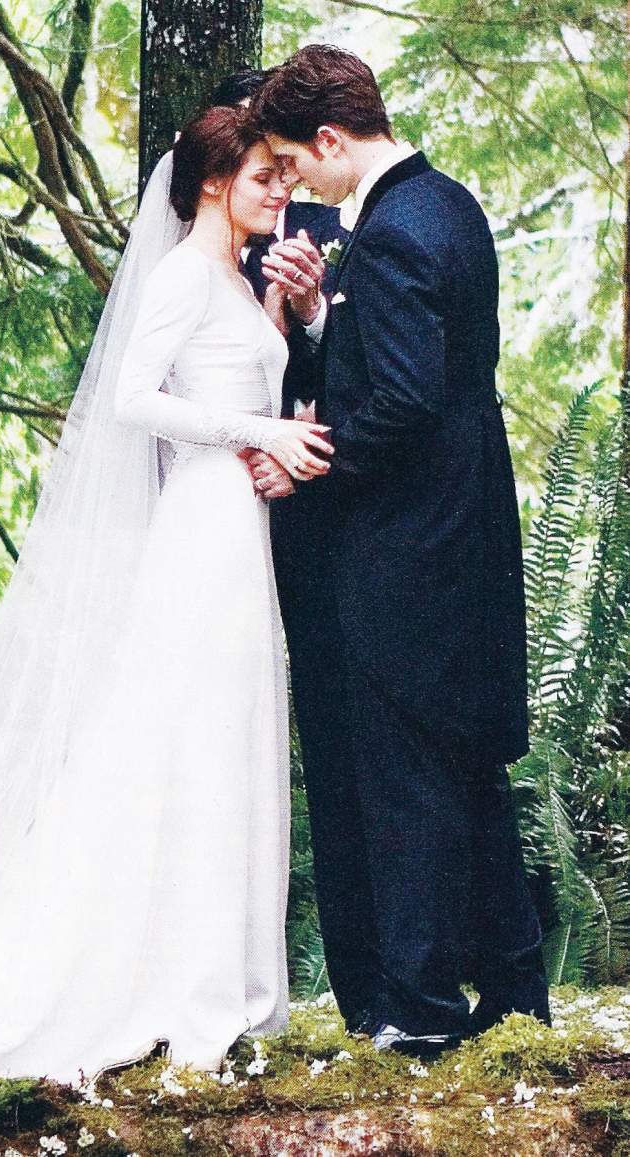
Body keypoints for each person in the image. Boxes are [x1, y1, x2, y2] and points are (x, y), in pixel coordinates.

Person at [0, 106, 332, 1144]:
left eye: (284, 176)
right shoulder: (179, 277)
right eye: (264, 175)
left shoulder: (239, 279)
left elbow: (248, 375)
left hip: (239, 523)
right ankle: (167, 982)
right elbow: (131, 398)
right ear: (213, 181)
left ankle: (218, 976)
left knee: (226, 737)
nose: (280, 191)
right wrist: (252, 430)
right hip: (200, 527)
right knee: (184, 738)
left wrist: (295, 329)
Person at [248, 45, 551, 1056]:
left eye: (297, 161)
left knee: (406, 776)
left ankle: (418, 1011)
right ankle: (515, 998)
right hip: (465, 530)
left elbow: (407, 400)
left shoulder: (388, 234)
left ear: (332, 138)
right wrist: (321, 322)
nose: (298, 183)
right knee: (466, 771)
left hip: (408, 548)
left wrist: (311, 462)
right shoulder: (450, 205)